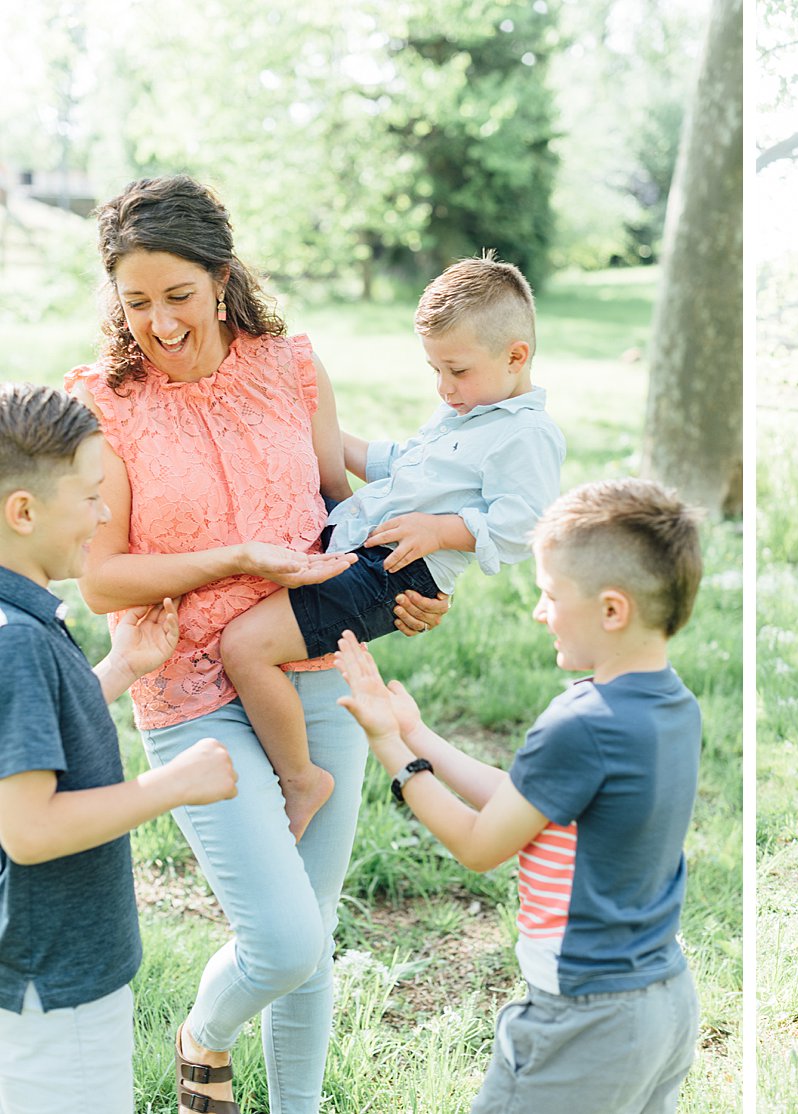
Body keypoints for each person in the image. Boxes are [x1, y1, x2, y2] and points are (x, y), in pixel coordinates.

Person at [65, 175, 449, 1114]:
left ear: (224, 277)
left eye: (178, 297)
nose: (157, 322)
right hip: (188, 688)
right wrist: (230, 557)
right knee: (280, 940)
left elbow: (341, 510)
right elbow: (102, 576)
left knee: (311, 932)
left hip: (314, 661)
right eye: (137, 301)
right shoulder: (106, 405)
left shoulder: (290, 366)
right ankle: (205, 1033)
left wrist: (402, 586)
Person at [335, 478, 704, 1114]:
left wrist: (389, 749)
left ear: (612, 610)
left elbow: (480, 845)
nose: (540, 611)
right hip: (663, 1003)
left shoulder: (580, 722)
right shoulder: (673, 705)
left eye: (551, 595)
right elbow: (529, 801)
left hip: (585, 1021)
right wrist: (418, 733)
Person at [219, 253, 564, 840]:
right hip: (372, 547)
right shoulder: (465, 413)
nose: (444, 387)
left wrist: (441, 529)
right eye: (435, 370)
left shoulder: (525, 434)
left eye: (457, 370)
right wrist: (313, 424)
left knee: (245, 645)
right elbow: (398, 463)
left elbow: (525, 525)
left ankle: (301, 778)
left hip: (402, 572)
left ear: (516, 356)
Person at [0, 384, 238, 1114]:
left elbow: (28, 740)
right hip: (56, 987)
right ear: (23, 511)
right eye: (91, 495)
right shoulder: (19, 643)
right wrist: (174, 783)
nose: (106, 515)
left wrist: (121, 669)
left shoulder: (18, 618)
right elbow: (30, 829)